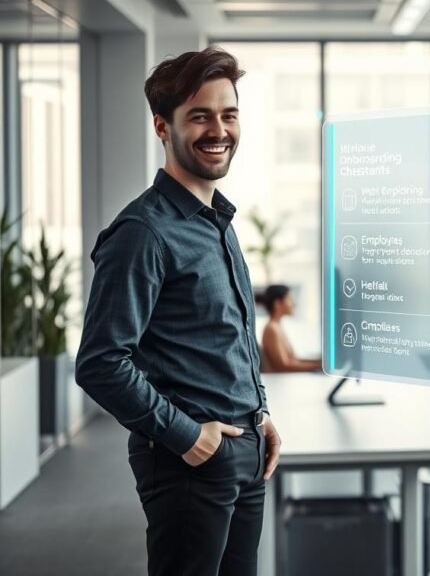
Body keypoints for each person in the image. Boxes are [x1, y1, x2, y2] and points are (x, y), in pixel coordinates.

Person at [76, 47, 282, 576]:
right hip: (190, 459)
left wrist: (257, 413)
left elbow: (220, 337)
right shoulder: (143, 233)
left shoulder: (216, 218)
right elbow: (101, 362)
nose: (219, 129)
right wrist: (188, 437)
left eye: (228, 114)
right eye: (199, 116)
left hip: (245, 449)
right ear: (162, 127)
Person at [259, 284, 321, 373]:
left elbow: (292, 360)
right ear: (278, 303)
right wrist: (317, 366)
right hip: (279, 381)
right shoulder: (271, 329)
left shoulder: (278, 326)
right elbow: (283, 365)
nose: (293, 303)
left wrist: (319, 363)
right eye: (289, 299)